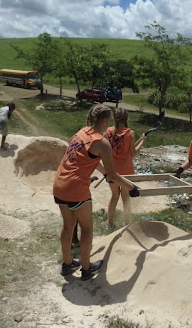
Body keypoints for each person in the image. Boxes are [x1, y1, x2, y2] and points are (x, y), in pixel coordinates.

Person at [53, 104, 140, 281]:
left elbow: (83, 160)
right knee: (87, 228)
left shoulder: (81, 132)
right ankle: (86, 269)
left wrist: (100, 174)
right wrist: (132, 188)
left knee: (68, 226)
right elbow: (114, 174)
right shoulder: (101, 143)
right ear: (103, 120)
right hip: (76, 189)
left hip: (59, 184)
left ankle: (67, 263)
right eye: (108, 120)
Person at [104, 108, 147, 228]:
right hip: (126, 171)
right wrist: (142, 142)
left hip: (112, 170)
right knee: (125, 197)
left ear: (114, 118)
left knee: (114, 196)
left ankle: (110, 222)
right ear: (126, 118)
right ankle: (127, 224)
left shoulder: (108, 131)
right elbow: (132, 153)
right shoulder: (130, 133)